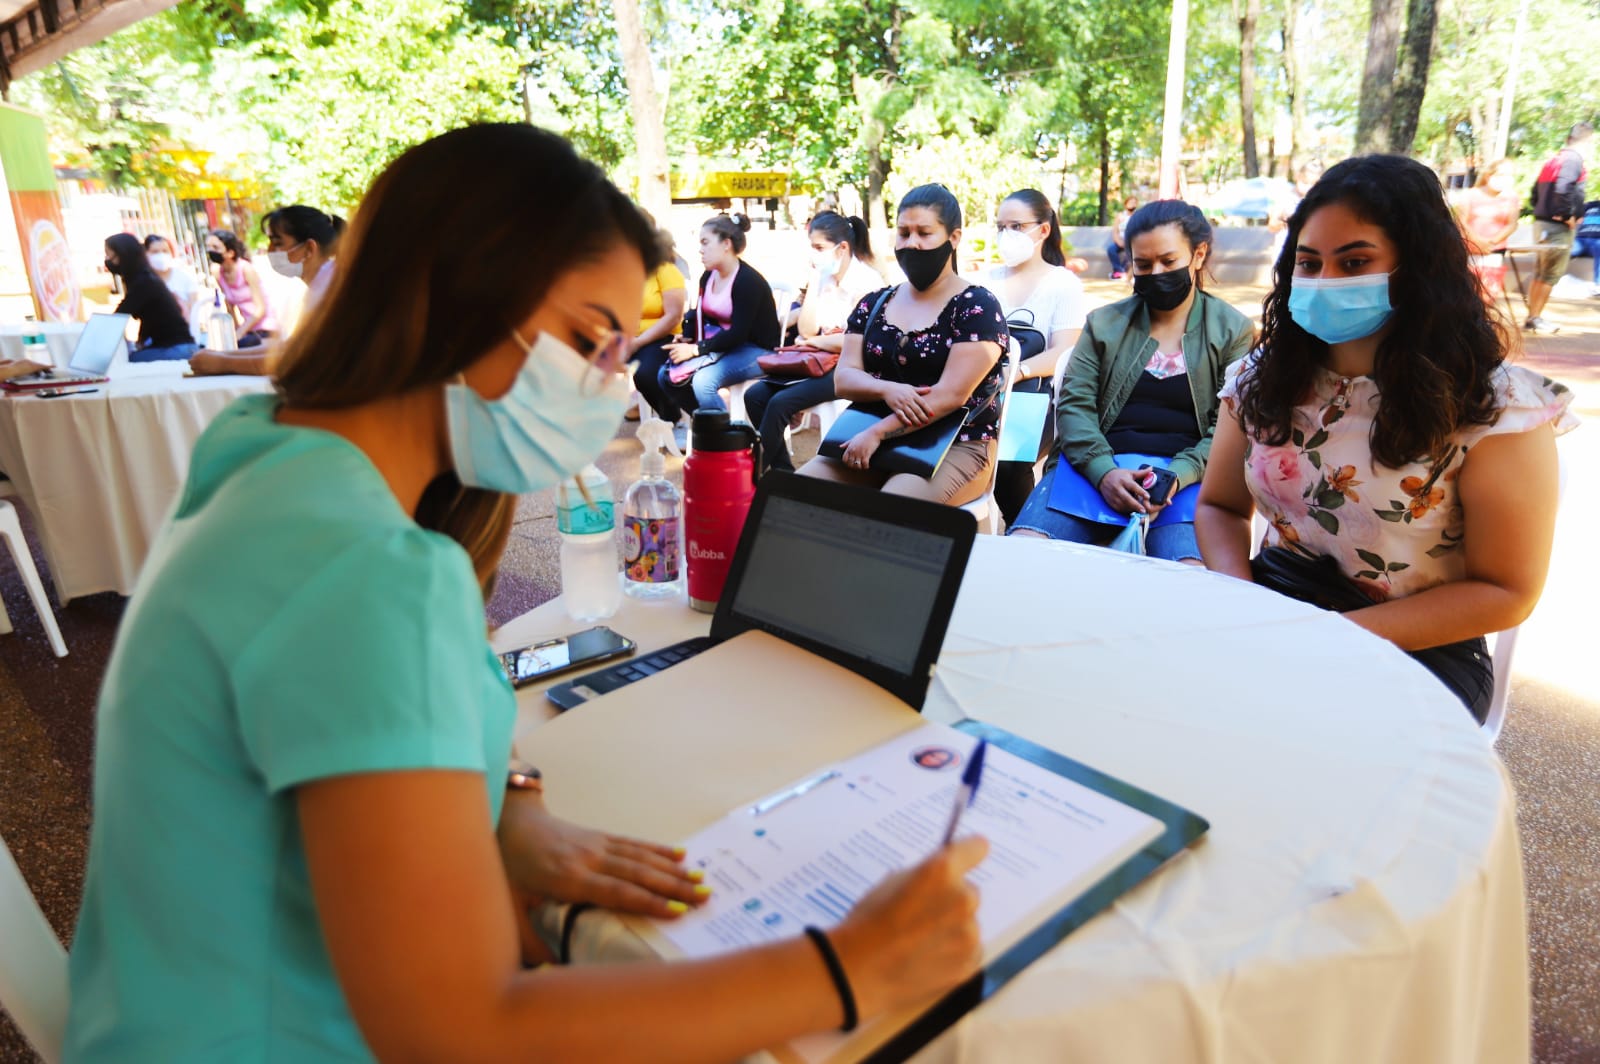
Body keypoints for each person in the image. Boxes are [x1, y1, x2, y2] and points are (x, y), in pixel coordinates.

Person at [65, 124, 987, 1062]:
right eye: (590, 338)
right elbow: (463, 1031)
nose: (607, 383)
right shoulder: (366, 568)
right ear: (455, 293)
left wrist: (505, 801)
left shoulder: (272, 456)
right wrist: (850, 969)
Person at [1196, 154, 1575, 722]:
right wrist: (1243, 601)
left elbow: (1506, 590)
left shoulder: (1496, 411)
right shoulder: (1260, 380)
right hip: (1270, 609)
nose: (1326, 282)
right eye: (1309, 262)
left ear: (1418, 269)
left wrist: (1325, 638)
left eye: (1354, 262)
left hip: (1417, 649)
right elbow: (1220, 506)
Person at [1008, 201, 1253, 562]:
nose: (1156, 273)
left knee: (1191, 582)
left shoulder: (1232, 330)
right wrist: (1105, 472)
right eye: (1143, 264)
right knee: (1023, 559)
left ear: (1198, 255)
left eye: (1168, 262)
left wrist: (1174, 476)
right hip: (1091, 470)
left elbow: (1227, 428)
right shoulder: (1103, 323)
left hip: (1186, 480)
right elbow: (1075, 407)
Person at [798, 184, 1008, 506]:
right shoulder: (874, 303)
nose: (912, 243)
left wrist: (879, 433)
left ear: (953, 238)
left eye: (924, 233)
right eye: (904, 233)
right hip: (869, 434)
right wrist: (887, 391)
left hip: (956, 442)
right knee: (797, 494)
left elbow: (950, 395)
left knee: (891, 511)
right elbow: (844, 378)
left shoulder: (976, 307)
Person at [743, 212, 884, 472]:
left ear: (842, 248)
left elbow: (857, 343)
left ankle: (753, 473)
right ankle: (785, 475)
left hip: (852, 368)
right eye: (812, 248)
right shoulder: (825, 279)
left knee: (779, 403)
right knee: (755, 396)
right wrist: (816, 280)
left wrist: (817, 341)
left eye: (819, 248)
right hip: (819, 362)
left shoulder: (868, 283)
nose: (814, 255)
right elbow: (807, 329)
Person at [985, 189, 1087, 525]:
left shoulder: (1063, 284)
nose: (1006, 235)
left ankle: (1026, 533)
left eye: (1016, 226)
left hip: (1035, 399)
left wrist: (1018, 371)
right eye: (1001, 227)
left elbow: (1063, 351)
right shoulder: (986, 281)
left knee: (1009, 464)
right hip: (982, 395)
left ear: (1043, 230)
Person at [191, 206, 345, 376]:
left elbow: (298, 359)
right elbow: (291, 347)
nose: (270, 250)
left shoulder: (332, 288)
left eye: (278, 243)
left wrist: (223, 362)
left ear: (309, 248)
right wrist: (224, 356)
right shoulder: (323, 283)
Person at [656, 213, 781, 416]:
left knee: (704, 381)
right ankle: (708, 424)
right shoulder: (709, 275)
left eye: (705, 242)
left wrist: (696, 350)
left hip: (759, 350)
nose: (700, 250)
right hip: (727, 345)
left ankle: (725, 440)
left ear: (726, 244)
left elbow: (738, 333)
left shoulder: (748, 282)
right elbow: (700, 313)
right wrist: (688, 335)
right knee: (666, 375)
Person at [1525, 122, 1592, 333]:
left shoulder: (1554, 159)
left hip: (1543, 222)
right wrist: (1567, 216)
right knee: (1550, 274)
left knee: (1541, 273)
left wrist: (1542, 211)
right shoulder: (1573, 159)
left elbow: (1534, 192)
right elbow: (1564, 187)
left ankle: (1532, 316)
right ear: (1585, 141)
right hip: (1557, 226)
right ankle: (1535, 317)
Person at [624, 222, 688, 421]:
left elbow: (673, 316)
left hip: (660, 337)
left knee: (644, 374)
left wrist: (637, 342)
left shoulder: (665, 269)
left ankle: (673, 418)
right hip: (626, 337)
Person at [102, 233, 197, 362]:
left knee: (127, 361)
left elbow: (118, 317)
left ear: (122, 254)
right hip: (175, 347)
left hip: (175, 349)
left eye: (110, 255)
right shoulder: (146, 278)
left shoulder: (143, 283)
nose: (108, 260)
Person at [1454, 160, 1521, 303]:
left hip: (1494, 250)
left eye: (1508, 175)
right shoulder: (1470, 195)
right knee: (1465, 292)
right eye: (1500, 174)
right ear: (1489, 175)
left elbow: (1512, 224)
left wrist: (1491, 242)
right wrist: (1478, 241)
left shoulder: (1511, 198)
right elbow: (1461, 221)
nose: (1504, 179)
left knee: (1488, 293)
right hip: (1469, 250)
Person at [206, 227, 279, 343]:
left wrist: (240, 332)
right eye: (208, 247)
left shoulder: (246, 269)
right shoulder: (218, 273)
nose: (210, 251)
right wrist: (234, 332)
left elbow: (261, 308)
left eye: (215, 247)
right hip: (248, 331)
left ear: (230, 252)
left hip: (266, 329)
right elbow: (230, 306)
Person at [142, 233, 200, 328]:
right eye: (155, 252)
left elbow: (194, 308)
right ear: (145, 254)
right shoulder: (144, 281)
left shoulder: (185, 276)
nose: (161, 255)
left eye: (165, 251)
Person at [1104, 196, 1138, 278]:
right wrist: (1118, 241)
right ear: (1126, 204)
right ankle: (1119, 271)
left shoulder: (1137, 216)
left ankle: (1123, 272)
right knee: (1111, 250)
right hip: (1120, 240)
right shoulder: (1120, 216)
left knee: (1129, 253)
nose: (1132, 205)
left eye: (1134, 203)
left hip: (1132, 241)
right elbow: (1115, 231)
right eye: (1130, 202)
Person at [1571, 198, 1600, 292]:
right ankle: (1549, 282)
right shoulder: (1590, 205)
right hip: (1580, 240)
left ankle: (1598, 285)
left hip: (1597, 242)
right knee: (1563, 251)